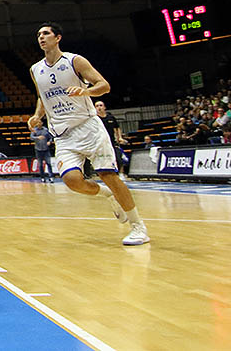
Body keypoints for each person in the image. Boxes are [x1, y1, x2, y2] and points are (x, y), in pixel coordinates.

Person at [27, 22, 149, 246]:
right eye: (38, 35)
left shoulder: (75, 61)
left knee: (109, 175)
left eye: (46, 33)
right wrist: (37, 116)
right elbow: (42, 97)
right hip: (63, 135)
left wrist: (86, 91)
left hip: (88, 127)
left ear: (58, 37)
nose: (41, 37)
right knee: (72, 180)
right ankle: (107, 195)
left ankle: (138, 227)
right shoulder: (35, 69)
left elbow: (104, 85)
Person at [96, 100, 129, 176]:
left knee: (118, 158)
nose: (99, 107)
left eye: (101, 105)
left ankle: (120, 173)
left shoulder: (111, 117)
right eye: (97, 106)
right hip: (100, 143)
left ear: (104, 107)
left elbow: (117, 128)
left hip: (111, 142)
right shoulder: (95, 119)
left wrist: (119, 137)